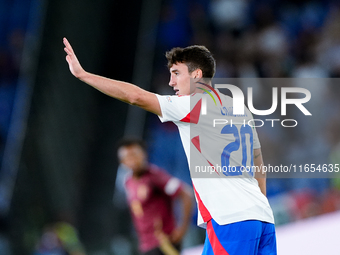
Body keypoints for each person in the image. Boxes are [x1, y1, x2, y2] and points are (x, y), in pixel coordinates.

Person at [63, 37, 277, 255]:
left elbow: (135, 96)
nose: (171, 82)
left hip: (231, 220)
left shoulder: (191, 105)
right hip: (261, 217)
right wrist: (257, 207)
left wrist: (83, 74)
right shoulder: (239, 108)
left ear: (196, 74)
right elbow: (259, 166)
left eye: (176, 73)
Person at [116, 138, 193, 255]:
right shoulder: (128, 182)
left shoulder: (155, 177)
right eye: (127, 157)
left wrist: (182, 229)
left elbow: (186, 194)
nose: (132, 160)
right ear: (122, 162)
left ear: (144, 154)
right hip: (145, 244)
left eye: (135, 155)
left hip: (164, 243)